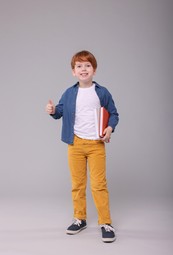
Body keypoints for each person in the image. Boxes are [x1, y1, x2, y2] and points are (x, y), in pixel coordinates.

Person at [45, 50, 119, 243]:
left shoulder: (101, 92)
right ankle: (80, 219)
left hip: (96, 144)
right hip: (75, 144)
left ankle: (106, 222)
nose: (83, 69)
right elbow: (60, 111)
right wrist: (52, 110)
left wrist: (110, 129)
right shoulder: (69, 93)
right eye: (79, 66)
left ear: (94, 70)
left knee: (98, 185)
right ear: (73, 71)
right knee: (77, 185)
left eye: (87, 65)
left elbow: (114, 114)